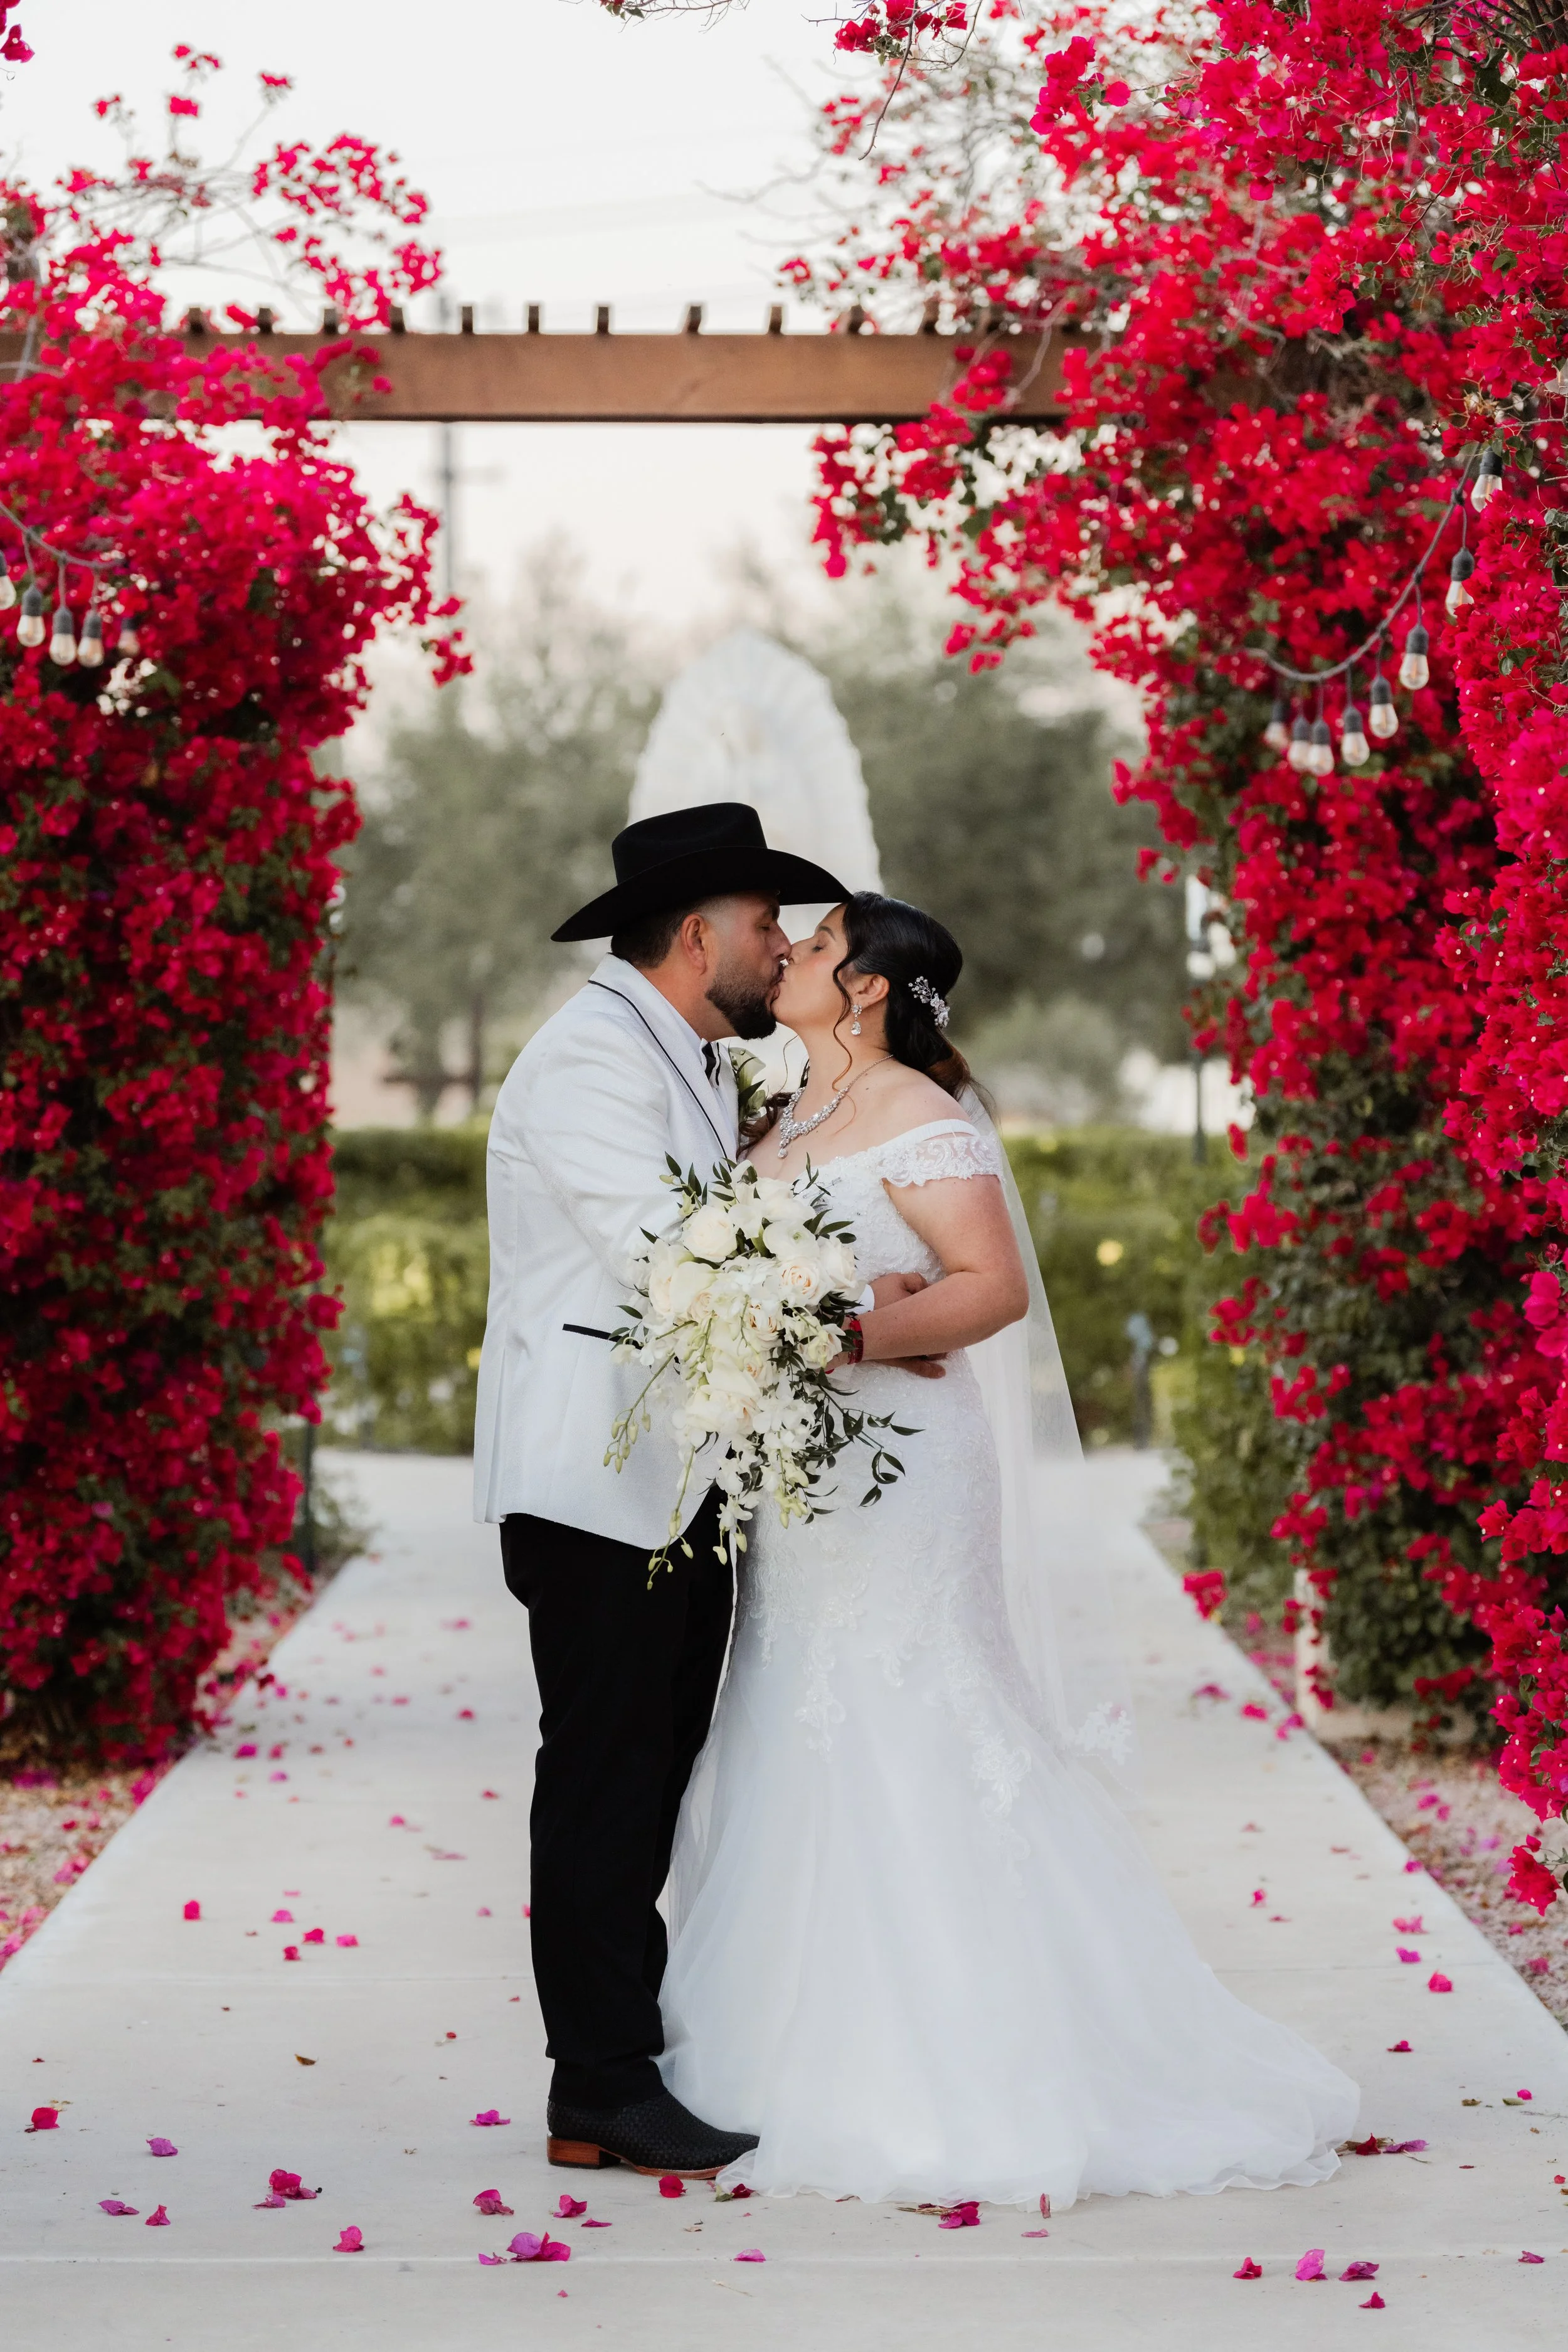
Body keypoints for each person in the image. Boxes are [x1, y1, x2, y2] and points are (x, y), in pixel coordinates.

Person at [657, 891, 1360, 2206]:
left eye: (812, 949)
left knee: (913, 1709)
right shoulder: (785, 1116)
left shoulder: (918, 1119)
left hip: (903, 1468)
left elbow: (991, 1286)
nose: (790, 958)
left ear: (865, 988)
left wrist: (847, 1333)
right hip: (805, 1476)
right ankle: (777, 2047)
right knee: (788, 1707)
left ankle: (972, 2061)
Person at [473, 805, 934, 2180]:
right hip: (599, 1487)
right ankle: (601, 2085)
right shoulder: (585, 1065)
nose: (781, 947)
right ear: (696, 936)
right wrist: (860, 1301)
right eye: (762, 926)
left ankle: (621, 2058)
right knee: (608, 1777)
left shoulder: (668, 1049)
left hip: (674, 1483)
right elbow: (672, 1254)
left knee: (644, 1773)